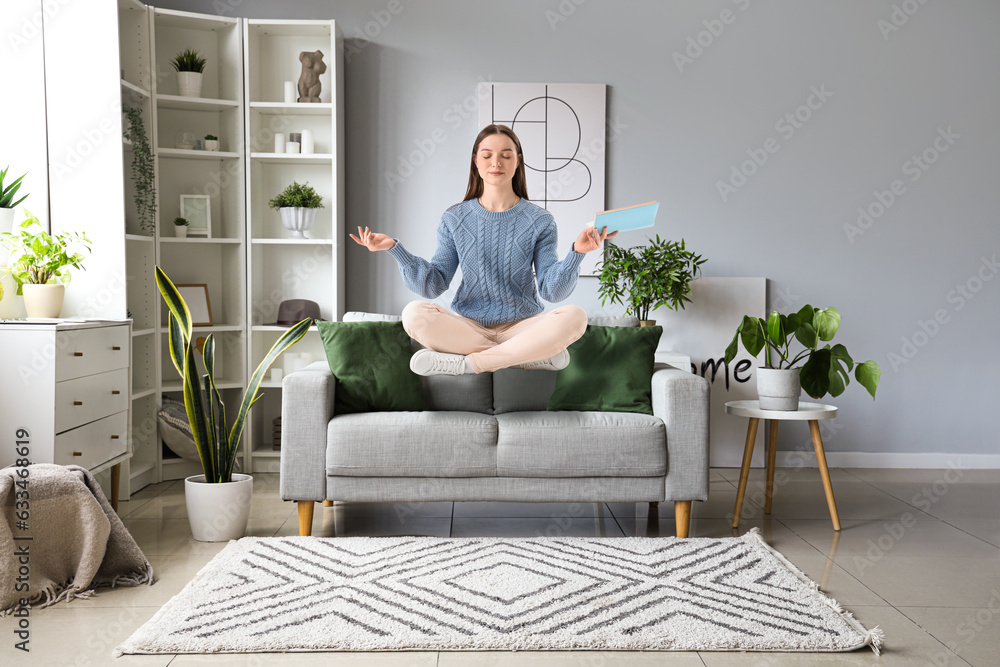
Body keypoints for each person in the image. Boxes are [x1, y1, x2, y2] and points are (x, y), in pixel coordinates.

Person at [350, 124, 615, 376]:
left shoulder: (540, 220)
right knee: (414, 314)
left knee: (575, 316)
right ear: (476, 161)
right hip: (469, 327)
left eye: (505, 155)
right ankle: (527, 356)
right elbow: (434, 285)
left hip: (522, 326)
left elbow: (551, 291)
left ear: (518, 161)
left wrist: (577, 253)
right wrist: (396, 250)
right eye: (487, 155)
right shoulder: (455, 218)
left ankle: (470, 364)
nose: (496, 163)